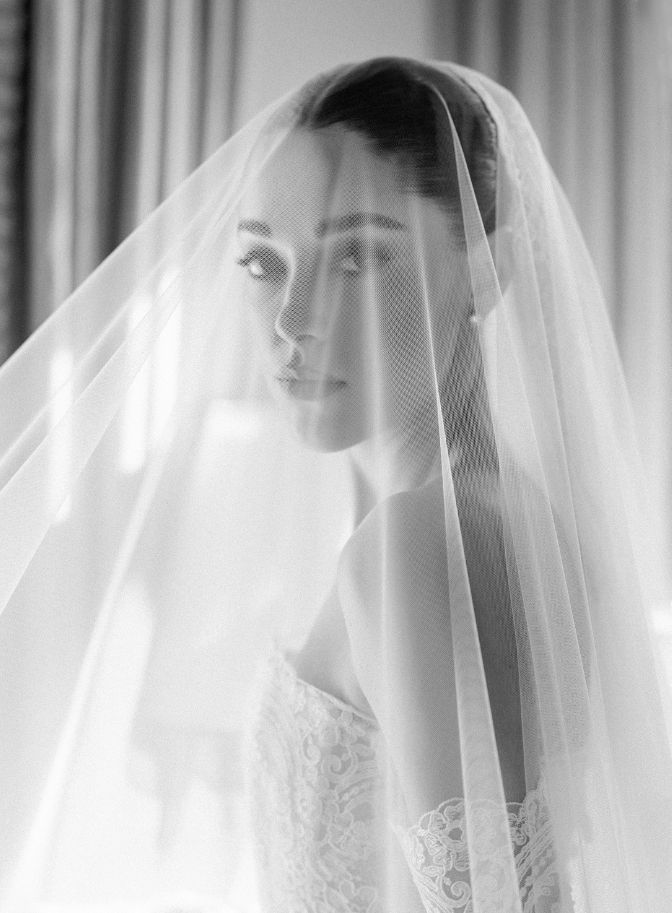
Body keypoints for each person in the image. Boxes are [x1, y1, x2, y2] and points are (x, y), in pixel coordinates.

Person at [1, 57, 671, 913]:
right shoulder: (503, 515)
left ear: (487, 271)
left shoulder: (415, 546)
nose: (292, 320)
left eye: (356, 257)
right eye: (260, 261)